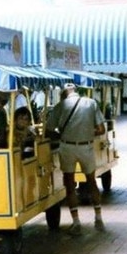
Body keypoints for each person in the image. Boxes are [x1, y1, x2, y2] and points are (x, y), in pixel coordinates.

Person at [46, 83, 106, 236]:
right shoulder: (91, 103)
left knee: (70, 184)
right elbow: (101, 129)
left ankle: (76, 222)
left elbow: (49, 130)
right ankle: (98, 218)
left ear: (64, 93)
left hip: (67, 147)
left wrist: (65, 134)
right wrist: (85, 131)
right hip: (86, 147)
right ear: (77, 91)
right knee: (92, 181)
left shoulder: (60, 106)